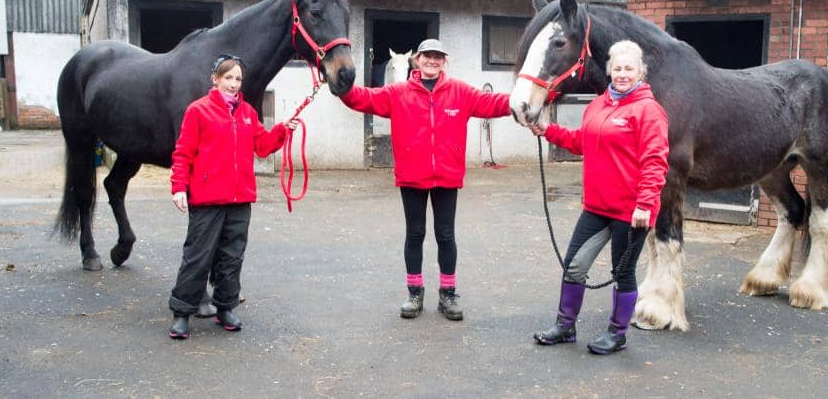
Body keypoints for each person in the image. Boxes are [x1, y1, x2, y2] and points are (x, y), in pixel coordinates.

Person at [340, 38, 511, 320]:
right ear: (417, 60)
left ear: (445, 61)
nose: (432, 61)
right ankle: (414, 293)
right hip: (412, 176)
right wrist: (341, 87)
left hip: (447, 176)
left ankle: (447, 294)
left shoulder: (460, 92)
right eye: (427, 56)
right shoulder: (398, 93)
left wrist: (527, 99)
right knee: (415, 235)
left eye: (438, 57)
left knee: (445, 236)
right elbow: (363, 98)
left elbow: (492, 103)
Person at [529, 40, 669, 355]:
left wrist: (645, 204)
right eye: (617, 68)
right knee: (574, 266)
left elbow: (655, 161)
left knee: (622, 273)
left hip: (631, 210)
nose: (622, 74)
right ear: (609, 71)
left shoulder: (649, 111)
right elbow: (581, 142)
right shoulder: (598, 105)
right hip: (596, 206)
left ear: (640, 72)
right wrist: (548, 130)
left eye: (628, 69)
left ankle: (617, 334)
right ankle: (565, 326)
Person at [167, 54, 298, 340]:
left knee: (231, 256)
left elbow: (262, 147)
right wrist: (179, 186)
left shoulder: (248, 113)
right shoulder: (198, 111)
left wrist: (282, 131)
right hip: (207, 198)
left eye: (238, 79)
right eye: (228, 78)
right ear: (215, 79)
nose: (234, 84)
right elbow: (183, 152)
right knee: (198, 256)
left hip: (239, 199)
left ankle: (225, 306)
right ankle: (182, 311)